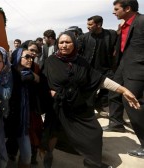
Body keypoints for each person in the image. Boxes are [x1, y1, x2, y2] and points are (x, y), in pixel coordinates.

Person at [44, 31, 140, 168]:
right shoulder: (50, 61)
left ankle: (92, 162)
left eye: (68, 42)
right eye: (61, 42)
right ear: (57, 44)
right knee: (53, 132)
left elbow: (100, 80)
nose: (64, 45)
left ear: (74, 43)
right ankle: (49, 155)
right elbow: (42, 81)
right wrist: (48, 92)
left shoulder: (81, 62)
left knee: (95, 132)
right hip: (58, 107)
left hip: (78, 106)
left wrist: (124, 90)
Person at [106, 0, 144, 157]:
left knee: (132, 103)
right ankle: (116, 124)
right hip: (122, 66)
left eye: (116, 9)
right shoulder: (123, 26)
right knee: (113, 93)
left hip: (137, 68)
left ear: (127, 8)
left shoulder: (142, 21)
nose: (113, 12)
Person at [78, 15, 118, 116]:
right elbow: (77, 52)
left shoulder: (111, 34)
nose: (88, 26)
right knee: (89, 92)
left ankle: (99, 104)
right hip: (90, 70)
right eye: (87, 24)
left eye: (90, 24)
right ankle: (90, 110)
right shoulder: (84, 37)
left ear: (99, 24)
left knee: (111, 88)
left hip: (107, 69)